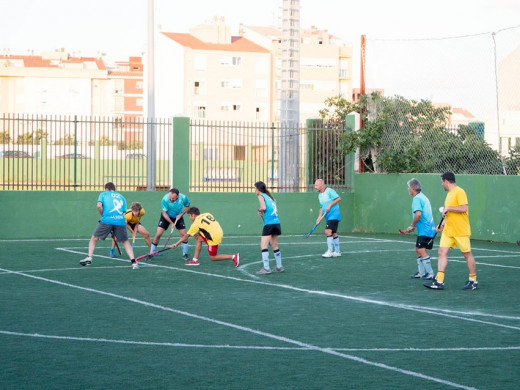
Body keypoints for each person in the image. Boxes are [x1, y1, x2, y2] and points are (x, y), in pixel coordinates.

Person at [424, 172, 479, 290]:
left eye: (441, 182)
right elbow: (448, 214)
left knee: (467, 254)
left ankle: (473, 281)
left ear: (446, 181)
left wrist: (448, 208)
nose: (441, 184)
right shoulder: (449, 194)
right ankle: (439, 281)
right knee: (441, 252)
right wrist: (442, 224)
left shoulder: (460, 192)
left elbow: (464, 208)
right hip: (448, 231)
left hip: (460, 230)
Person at [80, 182, 138, 269]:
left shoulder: (103, 194)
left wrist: (103, 215)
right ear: (114, 189)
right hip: (120, 221)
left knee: (94, 239)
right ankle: (134, 263)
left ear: (106, 189)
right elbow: (123, 213)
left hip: (107, 220)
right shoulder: (122, 197)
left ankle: (89, 257)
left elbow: (99, 206)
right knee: (125, 242)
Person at [169, 207, 239, 267]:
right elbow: (207, 226)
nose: (190, 218)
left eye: (189, 216)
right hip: (219, 232)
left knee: (213, 257)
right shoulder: (207, 214)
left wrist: (176, 244)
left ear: (193, 215)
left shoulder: (195, 223)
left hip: (213, 237)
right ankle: (195, 260)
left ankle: (233, 257)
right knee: (199, 239)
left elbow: (185, 237)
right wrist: (199, 233)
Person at [405, 178, 435, 280]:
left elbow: (418, 214)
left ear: (412, 188)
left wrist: (412, 225)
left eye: (408, 187)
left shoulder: (417, 199)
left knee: (421, 249)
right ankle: (421, 273)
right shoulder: (422, 197)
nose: (408, 189)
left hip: (425, 230)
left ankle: (430, 273)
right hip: (426, 229)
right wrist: (414, 226)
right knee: (417, 249)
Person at [149, 188, 191, 259]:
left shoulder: (183, 198)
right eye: (170, 198)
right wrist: (171, 223)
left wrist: (181, 214)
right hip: (166, 216)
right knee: (158, 234)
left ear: (177, 196)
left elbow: (188, 206)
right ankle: (151, 253)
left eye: (173, 198)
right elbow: (164, 213)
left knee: (184, 234)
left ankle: (185, 254)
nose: (171, 199)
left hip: (178, 216)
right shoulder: (165, 199)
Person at [254, 181, 284, 275]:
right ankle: (279, 267)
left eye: (255, 188)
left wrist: (259, 210)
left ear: (259, 189)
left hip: (269, 224)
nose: (254, 190)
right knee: (274, 245)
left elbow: (263, 207)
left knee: (263, 245)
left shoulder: (261, 196)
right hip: (276, 223)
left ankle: (266, 268)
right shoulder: (271, 197)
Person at [314, 179, 342, 258]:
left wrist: (330, 205)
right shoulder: (319, 195)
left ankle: (329, 251)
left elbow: (338, 198)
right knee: (333, 233)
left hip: (334, 215)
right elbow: (321, 207)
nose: (315, 187)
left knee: (327, 231)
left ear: (321, 185)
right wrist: (319, 217)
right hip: (327, 216)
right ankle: (337, 252)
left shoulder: (330, 191)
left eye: (316, 185)